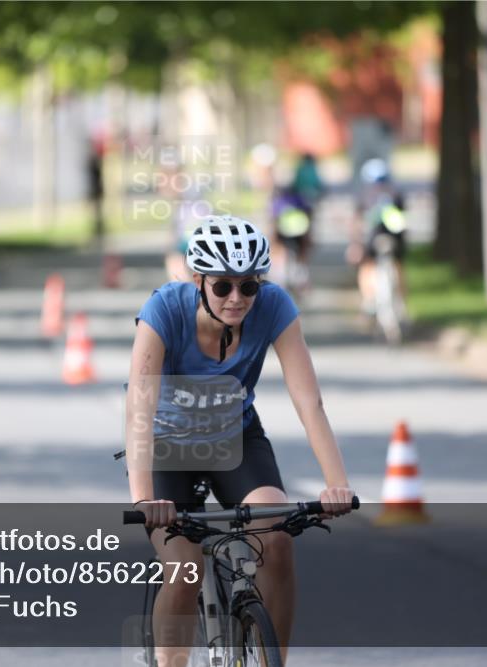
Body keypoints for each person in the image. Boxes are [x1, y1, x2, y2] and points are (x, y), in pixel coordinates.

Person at [125, 215, 355, 666]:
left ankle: (274, 660)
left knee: (277, 539)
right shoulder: (164, 311)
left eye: (249, 287)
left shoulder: (274, 307)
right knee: (185, 567)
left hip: (236, 438)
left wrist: (336, 484)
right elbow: (139, 410)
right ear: (198, 281)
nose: (237, 299)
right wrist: (143, 499)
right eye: (223, 287)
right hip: (166, 447)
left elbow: (310, 403)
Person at [347, 158, 408, 314]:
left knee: (366, 265)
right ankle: (402, 302)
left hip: (373, 240)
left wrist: (355, 245)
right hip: (394, 240)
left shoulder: (364, 195)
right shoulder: (396, 194)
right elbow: (403, 221)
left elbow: (357, 223)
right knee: (398, 264)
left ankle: (368, 300)